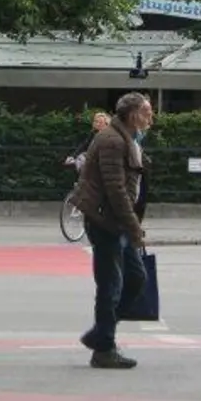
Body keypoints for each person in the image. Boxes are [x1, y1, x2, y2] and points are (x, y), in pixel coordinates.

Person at [70, 91, 153, 369]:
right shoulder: (112, 140)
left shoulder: (126, 137)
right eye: (146, 111)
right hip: (105, 221)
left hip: (117, 221)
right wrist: (134, 228)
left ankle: (100, 334)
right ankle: (103, 348)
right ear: (132, 115)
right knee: (111, 285)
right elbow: (116, 190)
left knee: (135, 278)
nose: (151, 116)